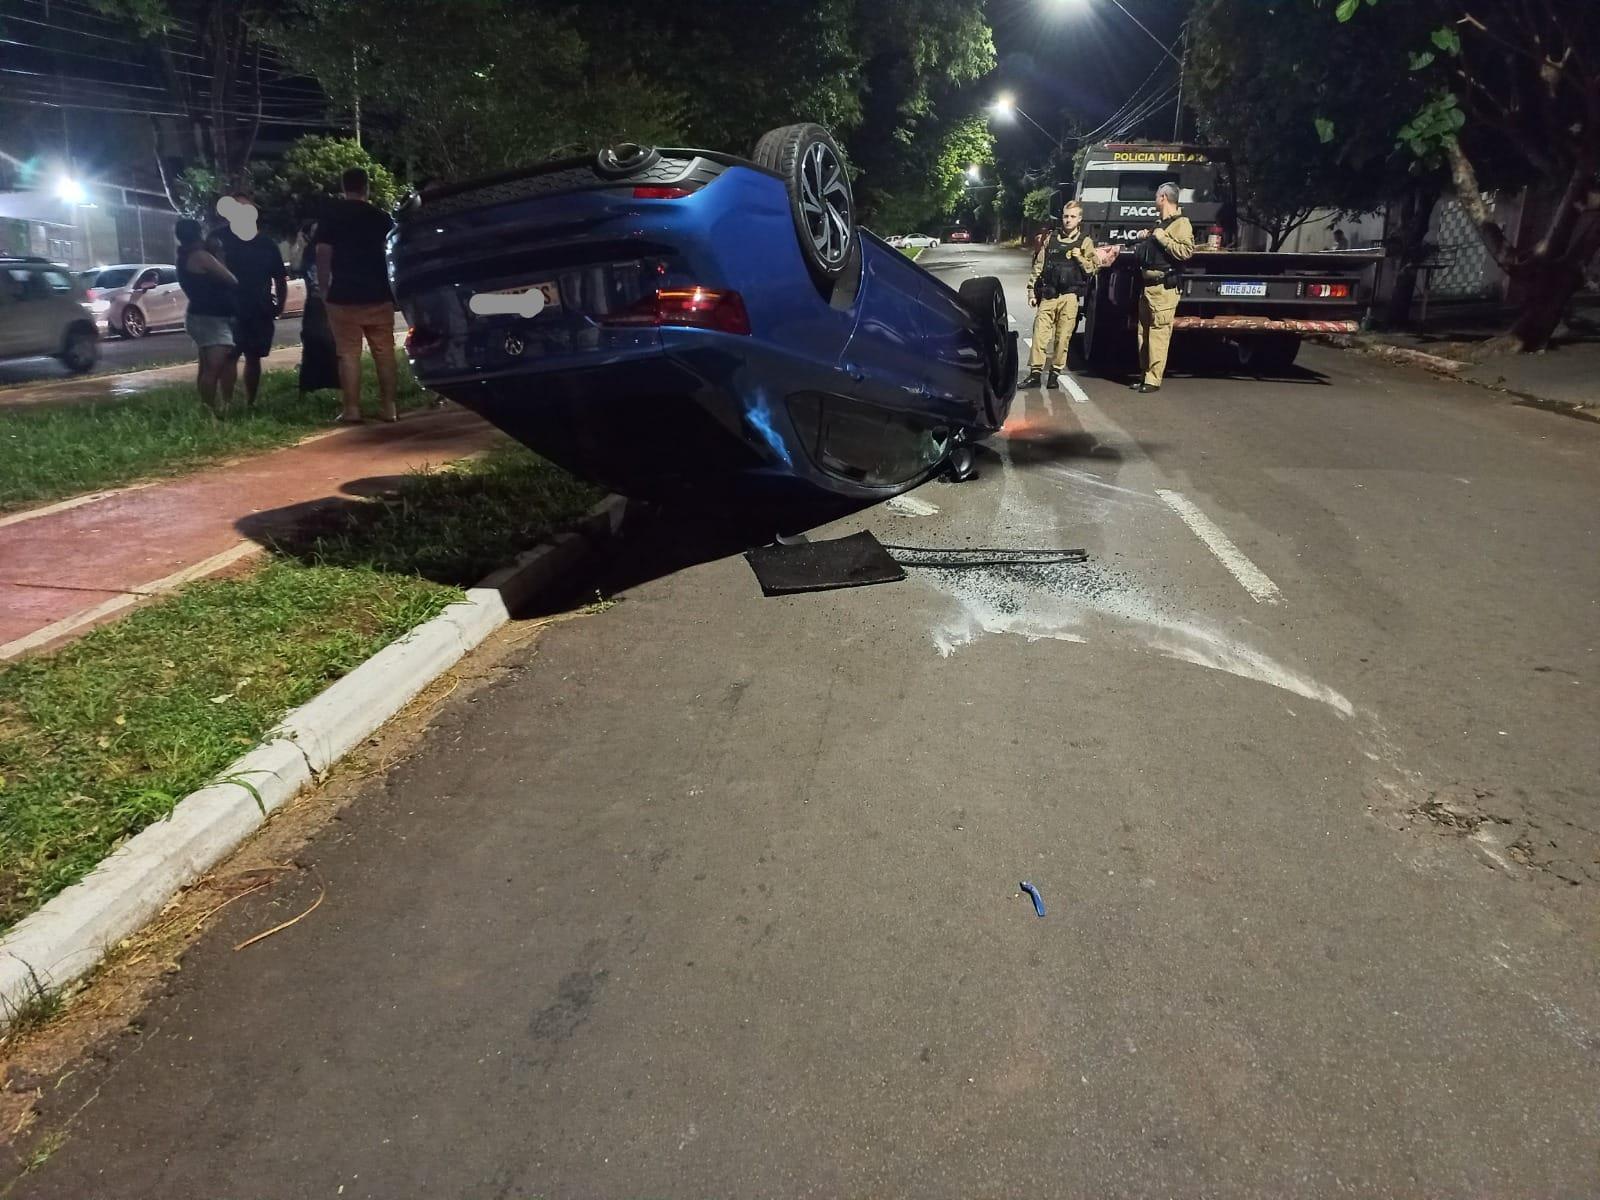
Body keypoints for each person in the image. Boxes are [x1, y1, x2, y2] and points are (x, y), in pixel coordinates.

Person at [316, 167, 398, 423]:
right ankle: (389, 407)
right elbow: (392, 253)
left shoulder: (331, 216)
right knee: (384, 352)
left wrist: (324, 288)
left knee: (348, 353)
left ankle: (351, 409)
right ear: (366, 187)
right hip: (379, 294)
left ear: (344, 187)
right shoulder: (381, 218)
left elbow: (322, 253)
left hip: (343, 294)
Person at [216, 189, 287, 410]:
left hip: (259, 308)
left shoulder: (266, 244)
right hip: (229, 309)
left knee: (254, 356)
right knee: (229, 356)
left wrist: (280, 305)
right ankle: (226, 404)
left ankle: (250, 402)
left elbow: (279, 277)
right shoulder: (218, 240)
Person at [1022, 200, 1098, 389]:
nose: (1068, 220)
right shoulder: (1051, 238)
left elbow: (1093, 269)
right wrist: (1031, 291)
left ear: (1079, 219)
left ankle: (1054, 373)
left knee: (1062, 338)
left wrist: (1080, 258)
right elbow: (1039, 265)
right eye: (1065, 216)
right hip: (1049, 294)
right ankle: (1035, 373)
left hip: (1069, 297)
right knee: (1039, 335)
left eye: (1072, 216)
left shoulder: (1085, 242)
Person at [1131, 181, 1195, 394]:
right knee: (1144, 333)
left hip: (1163, 288)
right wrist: (1147, 237)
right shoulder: (1160, 223)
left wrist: (1162, 238)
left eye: (1156, 196)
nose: (1155, 200)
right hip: (1147, 287)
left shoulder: (1181, 223)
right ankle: (1144, 374)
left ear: (1163, 198)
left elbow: (1186, 252)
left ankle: (1153, 379)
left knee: (1159, 334)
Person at [174, 217, 239, 415]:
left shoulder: (184, 255)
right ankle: (210, 410)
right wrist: (218, 253)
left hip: (203, 316)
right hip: (210, 318)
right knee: (214, 367)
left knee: (208, 366)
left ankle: (214, 407)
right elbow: (231, 278)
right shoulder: (200, 256)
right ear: (198, 233)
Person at [296, 220, 342, 397]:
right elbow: (296, 266)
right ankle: (313, 385)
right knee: (314, 343)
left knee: (330, 343)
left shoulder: (329, 249)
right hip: (316, 303)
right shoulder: (309, 252)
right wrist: (299, 244)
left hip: (327, 301)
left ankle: (335, 383)